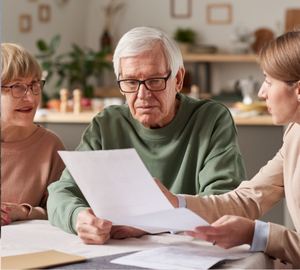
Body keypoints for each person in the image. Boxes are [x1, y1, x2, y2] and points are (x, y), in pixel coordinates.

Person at [47, 27, 246, 244]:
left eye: (154, 80)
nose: (143, 95)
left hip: (190, 251)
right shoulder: (107, 124)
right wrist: (77, 217)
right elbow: (61, 192)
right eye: (131, 82)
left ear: (178, 79)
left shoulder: (211, 119)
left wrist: (151, 224)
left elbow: (226, 203)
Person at [155, 30, 300, 267]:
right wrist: (176, 204)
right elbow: (249, 199)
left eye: (268, 81)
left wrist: (258, 234)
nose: (261, 92)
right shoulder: (295, 133)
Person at [1, 43, 66, 226]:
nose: (31, 97)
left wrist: (23, 212)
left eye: (34, 84)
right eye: (17, 87)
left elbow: (63, 211)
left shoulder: (49, 145)